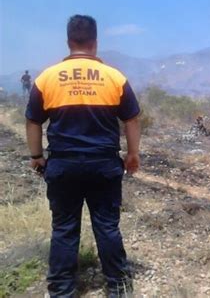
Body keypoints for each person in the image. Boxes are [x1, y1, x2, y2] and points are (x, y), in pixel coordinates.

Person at [25, 15, 141, 297]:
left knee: (64, 228)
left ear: (68, 43)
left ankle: (62, 290)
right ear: (95, 43)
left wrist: (37, 156)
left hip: (63, 165)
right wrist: (133, 154)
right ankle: (118, 286)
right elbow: (132, 120)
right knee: (107, 226)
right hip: (104, 164)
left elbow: (33, 122)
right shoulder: (115, 77)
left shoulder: (46, 78)